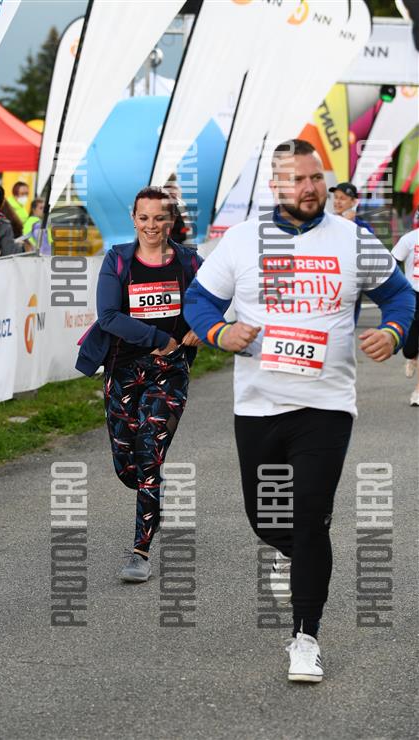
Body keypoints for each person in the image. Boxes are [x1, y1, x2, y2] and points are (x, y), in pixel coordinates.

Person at [184, 139, 415, 683]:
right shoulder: (242, 240)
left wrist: (391, 331)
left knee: (310, 515)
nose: (309, 189)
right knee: (266, 519)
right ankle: (296, 555)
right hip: (258, 403)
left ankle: (305, 637)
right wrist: (220, 333)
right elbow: (198, 301)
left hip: (326, 403)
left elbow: (402, 295)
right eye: (296, 179)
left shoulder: (353, 239)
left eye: (316, 178)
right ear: (275, 185)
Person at [78, 186, 202, 583]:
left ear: (172, 221)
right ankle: (151, 496)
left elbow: (215, 297)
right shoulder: (118, 260)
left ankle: (140, 552)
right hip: (124, 371)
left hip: (170, 372)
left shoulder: (190, 261)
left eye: (160, 218)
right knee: (127, 466)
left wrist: (203, 326)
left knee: (150, 457)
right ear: (133, 219)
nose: (152, 226)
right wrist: (158, 337)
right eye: (144, 218)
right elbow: (109, 316)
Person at [392, 227, 419, 405]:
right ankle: (411, 356)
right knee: (409, 348)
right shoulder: (410, 239)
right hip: (413, 295)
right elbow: (392, 263)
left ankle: (418, 391)